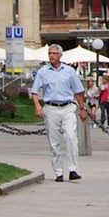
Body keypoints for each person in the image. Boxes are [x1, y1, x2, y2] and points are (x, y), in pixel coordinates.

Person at [31, 43, 87, 182]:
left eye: (54, 53)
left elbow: (78, 91)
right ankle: (58, 172)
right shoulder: (43, 71)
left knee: (71, 137)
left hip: (68, 107)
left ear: (60, 56)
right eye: (50, 53)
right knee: (54, 142)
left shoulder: (69, 71)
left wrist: (82, 108)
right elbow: (34, 91)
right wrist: (38, 106)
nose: (51, 56)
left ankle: (73, 169)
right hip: (50, 108)